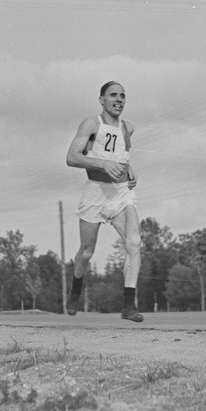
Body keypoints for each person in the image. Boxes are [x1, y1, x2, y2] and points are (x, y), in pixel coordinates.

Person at [66, 80, 143, 322]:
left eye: (122, 95)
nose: (118, 100)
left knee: (135, 242)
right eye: (112, 95)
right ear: (102, 100)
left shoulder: (127, 128)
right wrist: (103, 163)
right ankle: (76, 285)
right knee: (87, 252)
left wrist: (130, 169)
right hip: (95, 192)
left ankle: (129, 305)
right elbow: (72, 157)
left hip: (121, 193)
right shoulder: (91, 124)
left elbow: (121, 156)